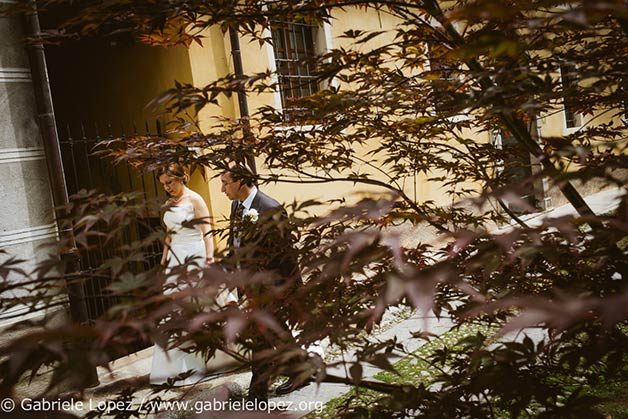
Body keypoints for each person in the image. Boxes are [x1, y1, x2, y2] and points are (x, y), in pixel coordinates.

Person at [220, 162, 305, 402]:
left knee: (259, 337)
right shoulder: (237, 206)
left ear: (240, 182)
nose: (222, 189)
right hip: (249, 285)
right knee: (277, 330)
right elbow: (234, 245)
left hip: (272, 286)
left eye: (225, 183)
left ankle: (256, 395)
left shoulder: (270, 208)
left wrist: (288, 290)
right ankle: (301, 370)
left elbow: (286, 255)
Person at [150, 163, 236, 386]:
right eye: (163, 184)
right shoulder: (169, 203)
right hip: (174, 259)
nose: (167, 187)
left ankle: (212, 360)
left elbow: (208, 231)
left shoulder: (195, 199)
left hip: (194, 256)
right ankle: (178, 367)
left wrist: (209, 259)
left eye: (170, 182)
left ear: (183, 177)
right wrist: (163, 259)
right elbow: (169, 234)